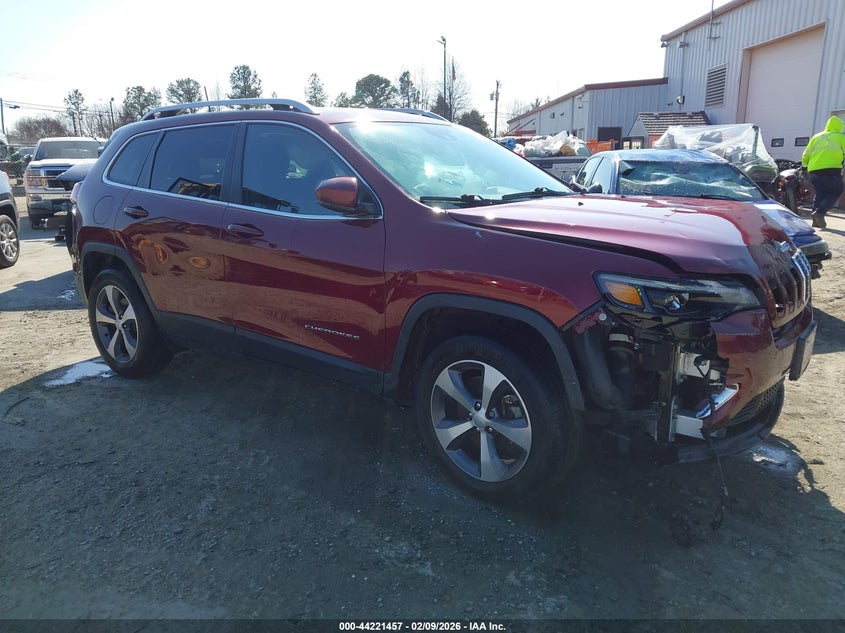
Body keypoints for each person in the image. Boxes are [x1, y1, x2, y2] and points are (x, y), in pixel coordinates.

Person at [801, 115, 845, 229]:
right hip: (832, 169)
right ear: (839, 127)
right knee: (835, 191)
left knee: (820, 193)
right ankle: (820, 212)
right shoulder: (840, 137)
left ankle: (816, 221)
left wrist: (804, 168)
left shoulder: (816, 137)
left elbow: (806, 154)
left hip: (814, 170)